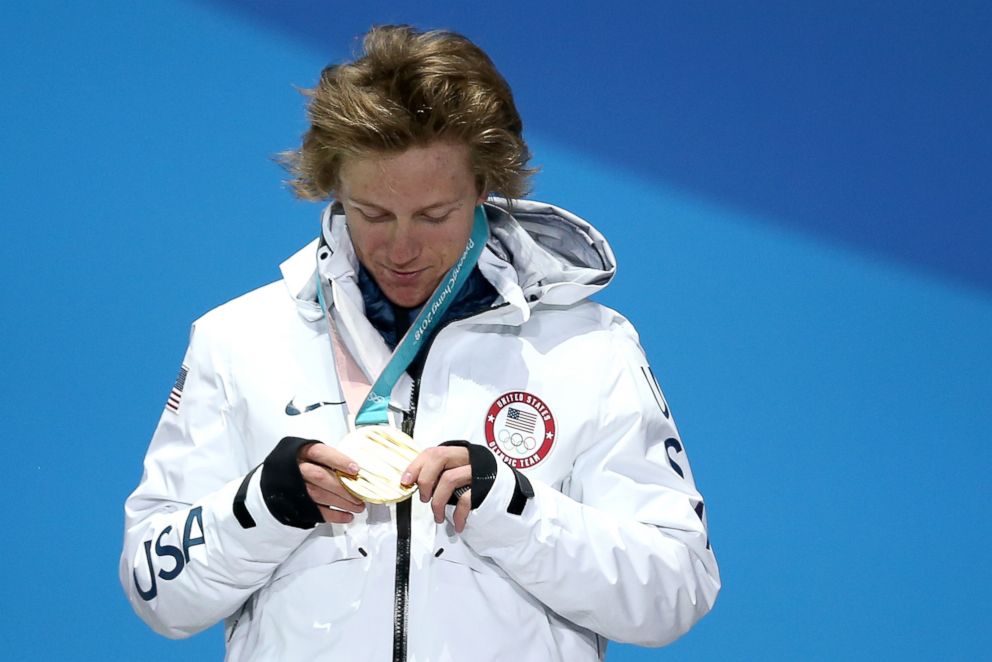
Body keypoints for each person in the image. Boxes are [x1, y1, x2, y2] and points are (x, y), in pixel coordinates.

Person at [120, 24, 720, 661]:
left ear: (485, 188)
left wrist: (516, 510)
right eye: (373, 213)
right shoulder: (238, 339)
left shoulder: (589, 346)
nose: (401, 248)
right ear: (335, 191)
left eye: (434, 215)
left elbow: (676, 590)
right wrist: (259, 508)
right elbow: (155, 591)